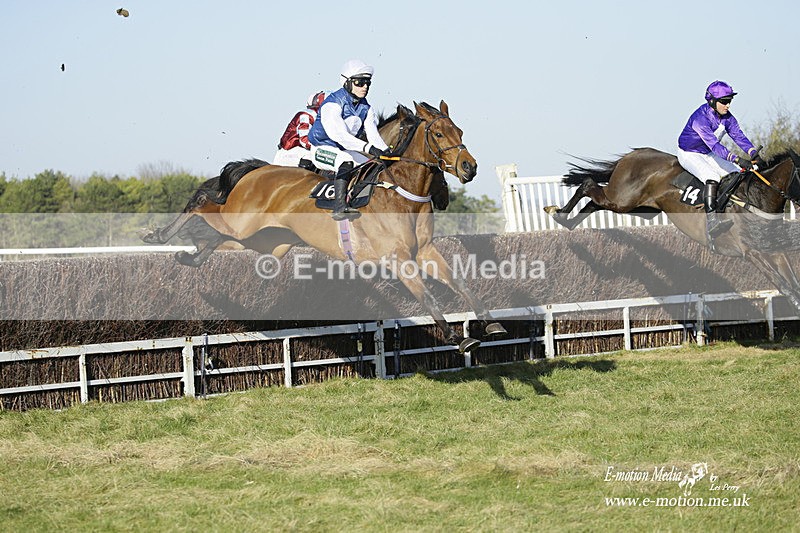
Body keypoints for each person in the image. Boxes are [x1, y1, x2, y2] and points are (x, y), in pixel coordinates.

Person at [677, 80, 759, 240]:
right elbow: (715, 146)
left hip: (708, 153)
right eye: (724, 101)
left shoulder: (727, 117)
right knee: (712, 177)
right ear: (712, 101)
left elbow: (738, 136)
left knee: (738, 173)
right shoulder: (700, 119)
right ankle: (712, 221)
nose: (728, 105)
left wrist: (753, 152)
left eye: (729, 101)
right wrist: (737, 159)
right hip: (689, 153)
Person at [308, 59, 389, 220]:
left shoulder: (366, 107)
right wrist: (368, 149)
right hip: (321, 149)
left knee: (373, 166)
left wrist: (387, 152)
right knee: (345, 161)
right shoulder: (332, 104)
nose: (365, 86)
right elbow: (340, 136)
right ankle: (339, 207)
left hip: (345, 150)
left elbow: (373, 136)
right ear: (346, 82)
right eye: (359, 82)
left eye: (367, 82)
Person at [272, 91, 326, 167]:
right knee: (318, 156)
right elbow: (304, 140)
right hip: (290, 153)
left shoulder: (323, 118)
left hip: (299, 151)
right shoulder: (307, 115)